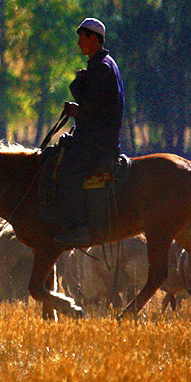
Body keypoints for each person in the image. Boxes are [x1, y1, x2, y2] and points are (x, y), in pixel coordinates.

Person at [52, 17, 125, 247]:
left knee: (67, 172)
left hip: (97, 142)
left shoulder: (101, 67)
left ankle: (78, 228)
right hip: (98, 138)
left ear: (94, 39)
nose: (79, 43)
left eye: (82, 38)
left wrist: (76, 89)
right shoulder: (103, 64)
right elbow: (95, 106)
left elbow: (90, 106)